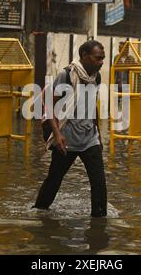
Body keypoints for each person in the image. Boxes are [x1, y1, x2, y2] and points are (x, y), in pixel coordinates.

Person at [33, 40, 107, 218]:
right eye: (97, 58)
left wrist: (98, 134)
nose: (101, 62)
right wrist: (57, 135)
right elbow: (49, 104)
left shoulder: (96, 76)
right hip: (66, 139)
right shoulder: (66, 76)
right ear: (84, 56)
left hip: (89, 138)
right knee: (54, 180)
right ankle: (39, 212)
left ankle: (99, 222)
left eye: (103, 58)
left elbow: (92, 105)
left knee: (99, 183)